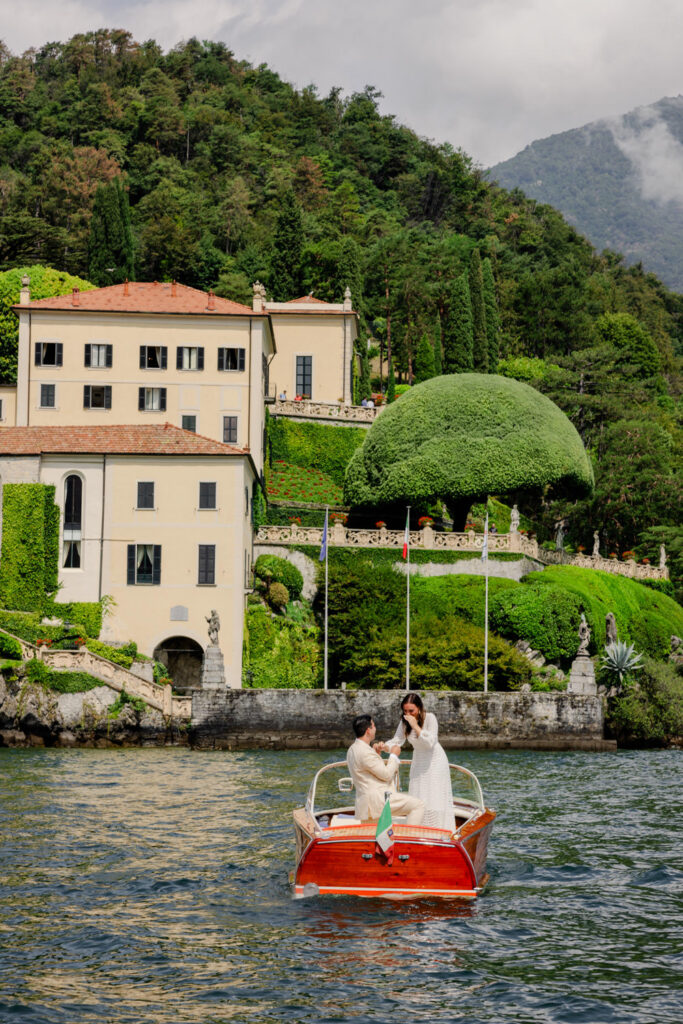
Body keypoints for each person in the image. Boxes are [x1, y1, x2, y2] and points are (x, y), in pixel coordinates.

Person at [381, 693, 455, 831]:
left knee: (433, 796)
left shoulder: (430, 718)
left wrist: (415, 726)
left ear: (419, 708)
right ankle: (419, 829)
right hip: (419, 760)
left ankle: (436, 830)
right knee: (418, 794)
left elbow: (430, 742)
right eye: (405, 711)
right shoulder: (404, 722)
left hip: (435, 761)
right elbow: (397, 741)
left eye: (411, 711)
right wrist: (384, 746)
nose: (408, 714)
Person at [346, 714, 425, 826]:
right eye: (373, 726)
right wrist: (394, 755)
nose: (375, 728)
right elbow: (387, 775)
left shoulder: (352, 749)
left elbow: (367, 771)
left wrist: (376, 754)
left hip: (365, 803)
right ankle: (410, 836)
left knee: (372, 837)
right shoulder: (365, 751)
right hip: (378, 800)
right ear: (368, 730)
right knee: (418, 805)